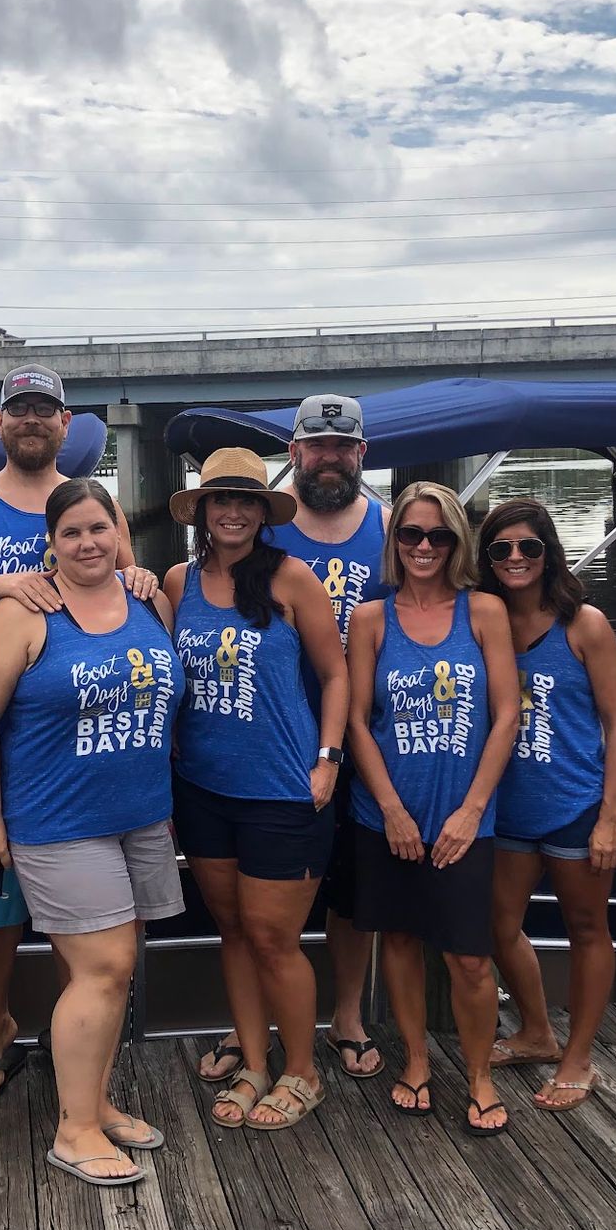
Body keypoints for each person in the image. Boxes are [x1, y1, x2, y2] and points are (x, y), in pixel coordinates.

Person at [0, 364, 158, 1101]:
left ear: (68, 425)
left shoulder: (99, 508)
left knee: (92, 925)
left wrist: (151, 581)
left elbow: (130, 591)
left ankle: (82, 1047)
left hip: (87, 737)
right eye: (18, 410)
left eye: (45, 410)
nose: (32, 420)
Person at [0, 480, 185, 1186]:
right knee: (104, 968)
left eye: (101, 530)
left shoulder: (150, 599)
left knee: (119, 970)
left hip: (140, 815)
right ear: (50, 543)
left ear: (120, 533)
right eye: (72, 533)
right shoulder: (24, 613)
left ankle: (96, 1101)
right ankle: (74, 1130)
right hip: (58, 820)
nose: (89, 543)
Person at [163, 447, 347, 1131]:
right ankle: (255, 1061)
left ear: (262, 514)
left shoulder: (292, 578)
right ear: (203, 512)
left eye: (246, 501)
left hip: (282, 789)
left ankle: (303, 1069)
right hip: (204, 787)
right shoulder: (178, 581)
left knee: (275, 937)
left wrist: (328, 757)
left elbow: (336, 674)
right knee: (233, 931)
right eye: (221, 501)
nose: (233, 511)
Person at [345, 482, 519, 1135]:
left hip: (463, 817)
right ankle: (415, 1060)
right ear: (395, 542)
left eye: (439, 535)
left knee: (471, 957)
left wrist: (472, 812)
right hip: (385, 815)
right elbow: (359, 722)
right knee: (401, 939)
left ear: (457, 542)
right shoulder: (370, 618)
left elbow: (506, 717)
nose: (424, 546)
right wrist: (389, 808)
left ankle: (478, 1073)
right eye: (412, 534)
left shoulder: (483, 612)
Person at [229, 392, 392, 1085]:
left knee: (352, 891)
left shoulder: (392, 527)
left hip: (370, 733)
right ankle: (256, 1028)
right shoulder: (267, 531)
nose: (329, 458)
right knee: (263, 903)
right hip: (273, 733)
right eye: (316, 447)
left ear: (361, 454)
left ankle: (348, 1013)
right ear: (292, 454)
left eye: (342, 447)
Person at [479, 497, 616, 1112]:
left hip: (573, 802)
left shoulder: (583, 624)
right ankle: (537, 1032)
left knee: (587, 929)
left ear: (548, 553)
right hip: (507, 808)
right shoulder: (481, 622)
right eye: (501, 549)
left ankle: (578, 1056)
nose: (516, 559)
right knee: (497, 924)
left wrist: (611, 815)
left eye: (529, 547)